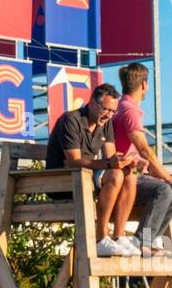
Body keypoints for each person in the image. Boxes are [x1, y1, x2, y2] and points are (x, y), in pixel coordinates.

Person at [45, 83, 139, 257]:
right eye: (106, 109)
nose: (109, 115)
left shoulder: (106, 123)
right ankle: (101, 237)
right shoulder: (71, 120)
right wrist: (110, 164)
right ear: (93, 103)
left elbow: (110, 157)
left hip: (86, 176)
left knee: (129, 177)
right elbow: (73, 161)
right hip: (62, 180)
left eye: (113, 111)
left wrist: (124, 162)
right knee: (115, 175)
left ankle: (119, 235)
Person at [111, 62, 172, 253]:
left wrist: (169, 179)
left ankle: (151, 238)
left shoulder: (123, 107)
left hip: (133, 173)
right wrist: (168, 177)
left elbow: (145, 156)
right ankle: (142, 241)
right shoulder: (128, 110)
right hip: (126, 176)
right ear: (144, 85)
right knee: (164, 189)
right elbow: (145, 149)